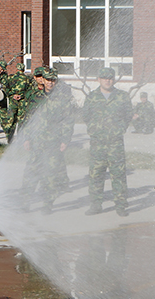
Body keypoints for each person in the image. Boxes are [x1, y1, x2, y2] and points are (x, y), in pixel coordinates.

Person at [23, 67, 74, 213]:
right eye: (48, 80)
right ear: (42, 80)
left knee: (49, 174)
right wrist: (26, 138)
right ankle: (25, 203)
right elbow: (27, 119)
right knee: (30, 173)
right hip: (36, 141)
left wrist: (65, 140)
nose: (50, 83)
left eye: (53, 80)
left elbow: (68, 120)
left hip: (53, 142)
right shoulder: (34, 97)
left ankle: (47, 205)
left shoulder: (62, 98)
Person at [83, 67, 133, 216]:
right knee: (96, 174)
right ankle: (95, 205)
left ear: (114, 79)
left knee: (118, 174)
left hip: (115, 143)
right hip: (97, 143)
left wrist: (120, 129)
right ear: (98, 79)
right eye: (104, 78)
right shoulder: (91, 97)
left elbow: (128, 115)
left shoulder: (122, 97)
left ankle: (120, 206)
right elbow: (86, 116)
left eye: (110, 78)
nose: (107, 80)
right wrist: (94, 129)